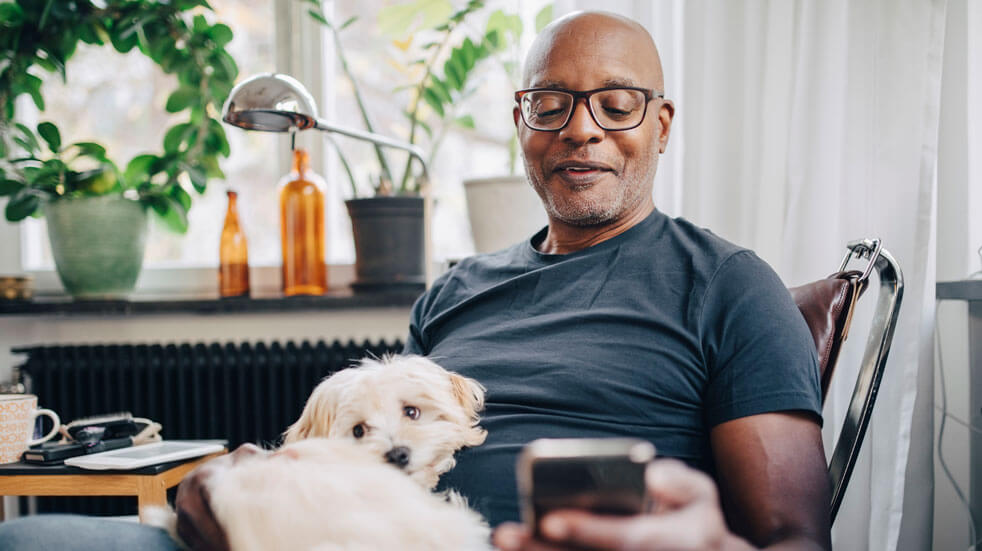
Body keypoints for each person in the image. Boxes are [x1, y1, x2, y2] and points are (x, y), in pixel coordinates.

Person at [0, 10, 830, 551]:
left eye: (617, 104)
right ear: (520, 124)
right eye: (552, 104)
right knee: (32, 541)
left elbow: (794, 539)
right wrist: (247, 475)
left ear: (661, 124)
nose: (582, 130)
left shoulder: (728, 286)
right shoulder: (455, 290)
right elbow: (362, 450)